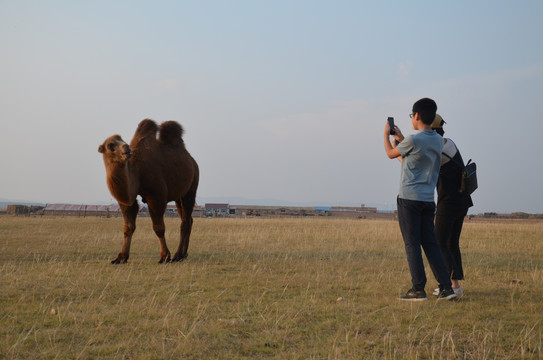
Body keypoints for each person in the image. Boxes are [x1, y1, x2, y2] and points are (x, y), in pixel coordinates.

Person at [384, 98, 456, 301]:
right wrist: (401, 137)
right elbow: (411, 156)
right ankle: (445, 288)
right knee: (431, 243)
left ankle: (418, 289)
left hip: (408, 199)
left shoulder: (414, 140)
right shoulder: (435, 140)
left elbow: (391, 153)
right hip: (427, 200)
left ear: (416, 116)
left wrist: (386, 136)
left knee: (412, 244)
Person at [431, 114, 473, 297]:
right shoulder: (450, 143)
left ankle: (453, 286)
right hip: (462, 200)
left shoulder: (435, 148)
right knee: (451, 242)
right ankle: (455, 285)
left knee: (439, 242)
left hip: (448, 203)